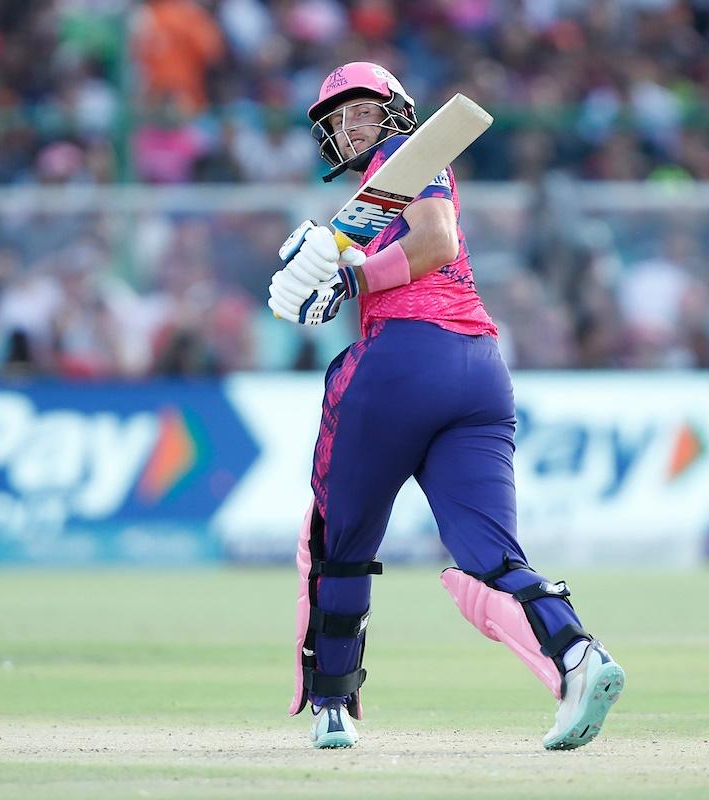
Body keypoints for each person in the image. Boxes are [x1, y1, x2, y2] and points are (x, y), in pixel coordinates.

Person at [267, 62, 626, 751]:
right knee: (488, 555)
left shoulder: (409, 158)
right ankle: (579, 658)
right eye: (337, 119)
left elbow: (436, 243)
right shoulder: (365, 204)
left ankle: (332, 705)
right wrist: (319, 269)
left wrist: (346, 279)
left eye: (362, 112)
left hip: (401, 364)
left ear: (398, 113)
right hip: (479, 375)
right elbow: (349, 263)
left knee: (336, 545)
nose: (349, 127)